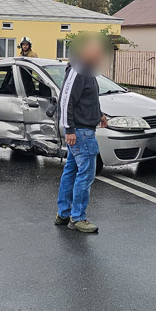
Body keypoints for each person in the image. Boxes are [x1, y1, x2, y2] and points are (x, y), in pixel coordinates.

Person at [55, 34, 108, 233]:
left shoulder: (87, 71)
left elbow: (88, 99)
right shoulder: (78, 70)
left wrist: (100, 114)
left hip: (83, 129)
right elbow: (66, 101)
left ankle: (64, 213)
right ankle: (77, 218)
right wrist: (69, 129)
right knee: (85, 175)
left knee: (71, 171)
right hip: (81, 132)